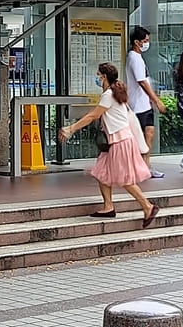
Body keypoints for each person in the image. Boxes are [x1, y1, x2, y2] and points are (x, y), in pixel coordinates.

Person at [58, 61, 160, 225]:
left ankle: (147, 206)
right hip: (117, 141)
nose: (97, 78)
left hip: (119, 141)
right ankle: (108, 207)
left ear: (104, 77)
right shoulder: (115, 92)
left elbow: (93, 116)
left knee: (124, 179)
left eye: (98, 75)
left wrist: (71, 129)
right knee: (101, 172)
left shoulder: (108, 95)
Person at [124, 27, 165, 179]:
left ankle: (146, 166)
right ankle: (138, 166)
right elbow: (142, 82)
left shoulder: (138, 57)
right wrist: (156, 99)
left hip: (144, 105)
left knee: (149, 133)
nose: (147, 44)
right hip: (137, 105)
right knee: (140, 137)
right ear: (137, 42)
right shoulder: (134, 58)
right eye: (145, 41)